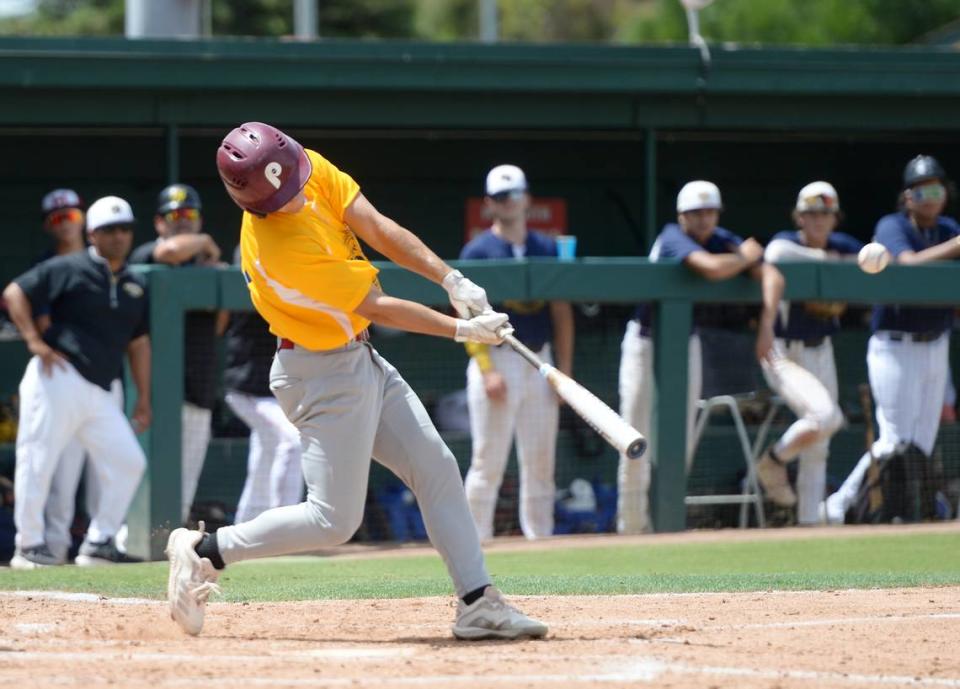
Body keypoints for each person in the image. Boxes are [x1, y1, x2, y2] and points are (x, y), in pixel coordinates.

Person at [166, 122, 547, 641]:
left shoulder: (303, 165)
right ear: (255, 200)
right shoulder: (281, 249)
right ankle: (205, 551)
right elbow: (378, 306)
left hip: (357, 358)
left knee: (436, 465)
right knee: (333, 520)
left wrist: (451, 279)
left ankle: (478, 601)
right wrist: (462, 328)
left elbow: (375, 225)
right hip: (320, 375)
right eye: (286, 194)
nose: (301, 193)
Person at [616, 180, 785, 533]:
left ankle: (666, 527)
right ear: (682, 215)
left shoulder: (722, 238)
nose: (704, 218)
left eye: (709, 211)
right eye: (696, 212)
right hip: (644, 342)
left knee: (681, 438)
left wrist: (767, 323)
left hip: (684, 342)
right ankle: (630, 529)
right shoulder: (672, 236)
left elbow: (771, 274)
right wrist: (743, 257)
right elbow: (710, 267)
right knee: (632, 432)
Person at [5, 196, 150, 568]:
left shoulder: (135, 283)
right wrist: (35, 343)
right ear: (92, 235)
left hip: (100, 389)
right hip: (58, 377)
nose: (118, 237)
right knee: (38, 459)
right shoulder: (67, 267)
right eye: (108, 230)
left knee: (128, 461)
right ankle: (29, 544)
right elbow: (14, 292)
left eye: (124, 229)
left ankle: (99, 541)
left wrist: (144, 396)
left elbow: (138, 343)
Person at [822, 155, 960, 523]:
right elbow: (909, 264)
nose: (930, 196)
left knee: (923, 442)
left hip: (936, 342)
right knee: (893, 440)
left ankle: (913, 514)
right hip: (895, 345)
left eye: (936, 188)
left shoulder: (947, 228)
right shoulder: (892, 225)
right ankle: (839, 504)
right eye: (921, 189)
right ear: (907, 196)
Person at [459, 164, 574, 541]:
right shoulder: (477, 251)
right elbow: (465, 317)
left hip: (540, 360)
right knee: (488, 460)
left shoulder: (546, 248)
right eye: (498, 197)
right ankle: (475, 542)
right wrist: (486, 368)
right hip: (499, 357)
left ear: (527, 198)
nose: (506, 203)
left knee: (541, 462)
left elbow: (561, 311)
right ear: (490, 203)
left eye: (513, 195)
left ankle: (539, 542)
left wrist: (564, 374)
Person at [758, 182, 856, 524]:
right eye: (811, 214)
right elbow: (774, 255)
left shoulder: (843, 245)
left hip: (821, 349)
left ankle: (809, 524)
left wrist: (844, 259)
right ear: (799, 217)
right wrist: (832, 261)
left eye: (825, 214)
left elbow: (872, 258)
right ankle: (773, 460)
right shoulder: (787, 243)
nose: (818, 221)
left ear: (835, 218)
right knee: (824, 416)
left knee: (821, 443)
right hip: (782, 352)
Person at [130, 184, 222, 523]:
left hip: (197, 383)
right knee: (144, 469)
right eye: (176, 215)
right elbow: (169, 251)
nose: (184, 221)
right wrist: (206, 242)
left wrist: (213, 273)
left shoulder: (208, 266)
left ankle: (170, 541)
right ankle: (127, 542)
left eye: (190, 214)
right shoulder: (145, 255)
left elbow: (220, 324)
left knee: (186, 477)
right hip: (154, 386)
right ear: (159, 222)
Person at [220, 248, 303, 524]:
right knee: (292, 439)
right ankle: (284, 528)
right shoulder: (252, 279)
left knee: (266, 453)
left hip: (272, 390)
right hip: (247, 388)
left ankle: (246, 528)